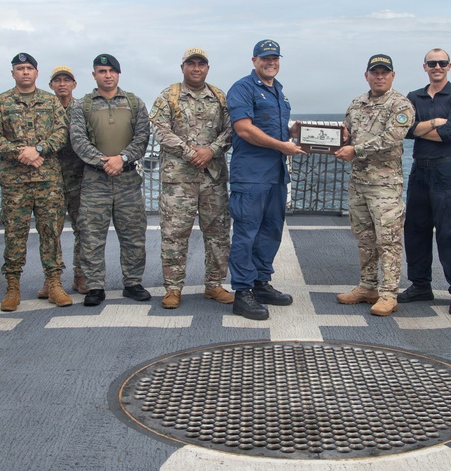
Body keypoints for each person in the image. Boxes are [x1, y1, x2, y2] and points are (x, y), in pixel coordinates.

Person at [0, 53, 72, 311]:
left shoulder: (50, 101)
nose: (25, 72)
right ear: (13, 73)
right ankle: (13, 286)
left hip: (48, 180)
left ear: (36, 72)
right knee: (14, 233)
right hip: (15, 181)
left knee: (51, 233)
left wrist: (40, 149)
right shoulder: (1, 102)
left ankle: (54, 283)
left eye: (29, 68)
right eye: (20, 68)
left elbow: (63, 131)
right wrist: (21, 153)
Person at [226, 39, 305, 320]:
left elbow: (275, 129)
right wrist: (283, 146)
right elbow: (245, 130)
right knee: (247, 233)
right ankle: (243, 292)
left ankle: (260, 283)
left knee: (270, 230)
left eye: (275, 58)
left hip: (275, 175)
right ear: (254, 61)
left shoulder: (278, 91)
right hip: (251, 176)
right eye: (265, 58)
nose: (270, 62)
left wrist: (295, 131)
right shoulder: (243, 88)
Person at [150, 48, 234, 309]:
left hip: (213, 178)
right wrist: (189, 153)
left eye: (201, 64)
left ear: (207, 68)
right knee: (175, 234)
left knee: (218, 234)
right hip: (179, 180)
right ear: (182, 67)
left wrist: (212, 151)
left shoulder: (220, 97)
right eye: (191, 64)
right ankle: (173, 288)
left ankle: (214, 284)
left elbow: (232, 129)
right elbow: (160, 130)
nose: (196, 68)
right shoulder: (168, 96)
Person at [334, 54, 414, 316]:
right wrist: (338, 137)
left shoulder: (401, 105)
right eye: (375, 72)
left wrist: (354, 150)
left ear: (392, 76)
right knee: (365, 239)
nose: (379, 76)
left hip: (385, 186)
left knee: (388, 240)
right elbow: (344, 132)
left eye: (384, 72)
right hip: (358, 183)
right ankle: (368, 286)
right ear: (366, 75)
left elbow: (391, 138)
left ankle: (389, 293)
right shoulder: (357, 104)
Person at [69, 54, 151, 306]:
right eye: (102, 71)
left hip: (127, 180)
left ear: (118, 74)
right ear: (94, 75)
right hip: (95, 180)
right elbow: (78, 140)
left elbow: (142, 137)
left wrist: (122, 158)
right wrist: (105, 161)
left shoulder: (134, 103)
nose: (107, 75)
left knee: (133, 235)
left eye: (111, 71)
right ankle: (95, 286)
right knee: (92, 235)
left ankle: (133, 282)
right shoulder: (81, 105)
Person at [399, 48, 451, 315]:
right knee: (415, 230)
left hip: (445, 172)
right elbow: (403, 130)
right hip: (419, 172)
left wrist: (421, 128)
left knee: (450, 233)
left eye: (442, 63)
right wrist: (433, 123)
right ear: (425, 66)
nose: (437, 66)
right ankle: (420, 284)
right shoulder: (413, 97)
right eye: (432, 63)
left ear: (449, 66)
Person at [44, 65, 87, 296]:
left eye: (66, 80)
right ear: (50, 85)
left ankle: (80, 276)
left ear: (74, 84)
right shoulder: (44, 108)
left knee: (83, 229)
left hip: (79, 177)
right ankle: (52, 279)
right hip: (49, 179)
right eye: (57, 80)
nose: (62, 84)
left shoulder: (82, 108)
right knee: (51, 231)